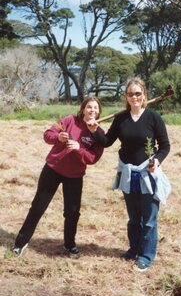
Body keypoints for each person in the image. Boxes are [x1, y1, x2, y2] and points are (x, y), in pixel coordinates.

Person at [87, 78, 171, 271]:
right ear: (126, 96)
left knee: (149, 219)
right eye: (131, 94)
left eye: (138, 93)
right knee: (134, 218)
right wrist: (94, 130)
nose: (134, 97)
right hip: (127, 172)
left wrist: (156, 160)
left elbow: (165, 146)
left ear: (144, 95)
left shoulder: (153, 117)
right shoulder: (122, 118)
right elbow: (107, 141)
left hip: (147, 173)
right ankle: (134, 249)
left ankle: (146, 256)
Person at [12, 97, 104, 257]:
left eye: (96, 108)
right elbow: (48, 134)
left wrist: (78, 148)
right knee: (38, 207)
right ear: (83, 109)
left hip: (75, 176)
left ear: (99, 112)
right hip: (52, 170)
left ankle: (69, 244)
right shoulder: (69, 120)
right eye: (89, 107)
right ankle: (20, 243)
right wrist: (58, 137)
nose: (92, 111)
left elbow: (93, 158)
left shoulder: (99, 133)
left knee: (72, 212)